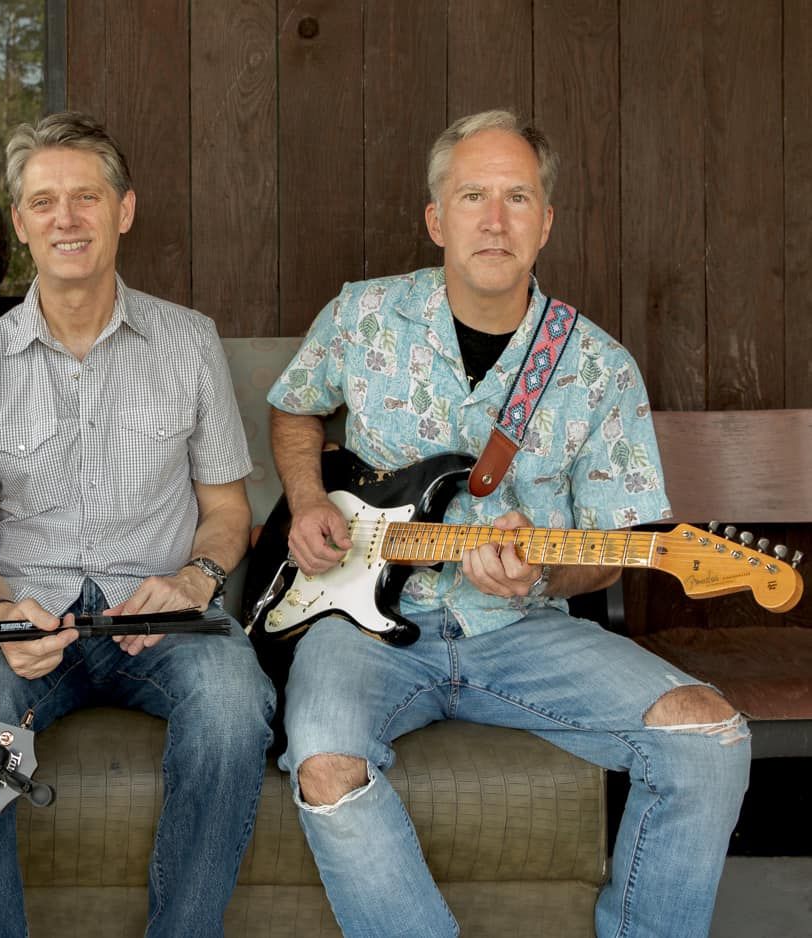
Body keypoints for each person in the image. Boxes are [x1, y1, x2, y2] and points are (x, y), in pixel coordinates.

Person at [266, 110, 750, 938]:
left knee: (710, 738)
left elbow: (616, 550)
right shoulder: (363, 316)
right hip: (358, 627)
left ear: (547, 221)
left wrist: (545, 574)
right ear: (436, 218)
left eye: (518, 197)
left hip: (521, 630)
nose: (494, 220)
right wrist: (310, 501)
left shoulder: (599, 368)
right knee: (326, 765)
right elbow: (294, 411)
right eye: (472, 196)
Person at [0, 111, 275, 938]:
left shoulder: (189, 343)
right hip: (26, 623)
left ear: (125, 210)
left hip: (167, 622)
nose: (66, 219)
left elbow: (228, 513)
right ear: (20, 224)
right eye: (43, 202)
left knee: (234, 703)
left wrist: (194, 580)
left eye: (86, 197)